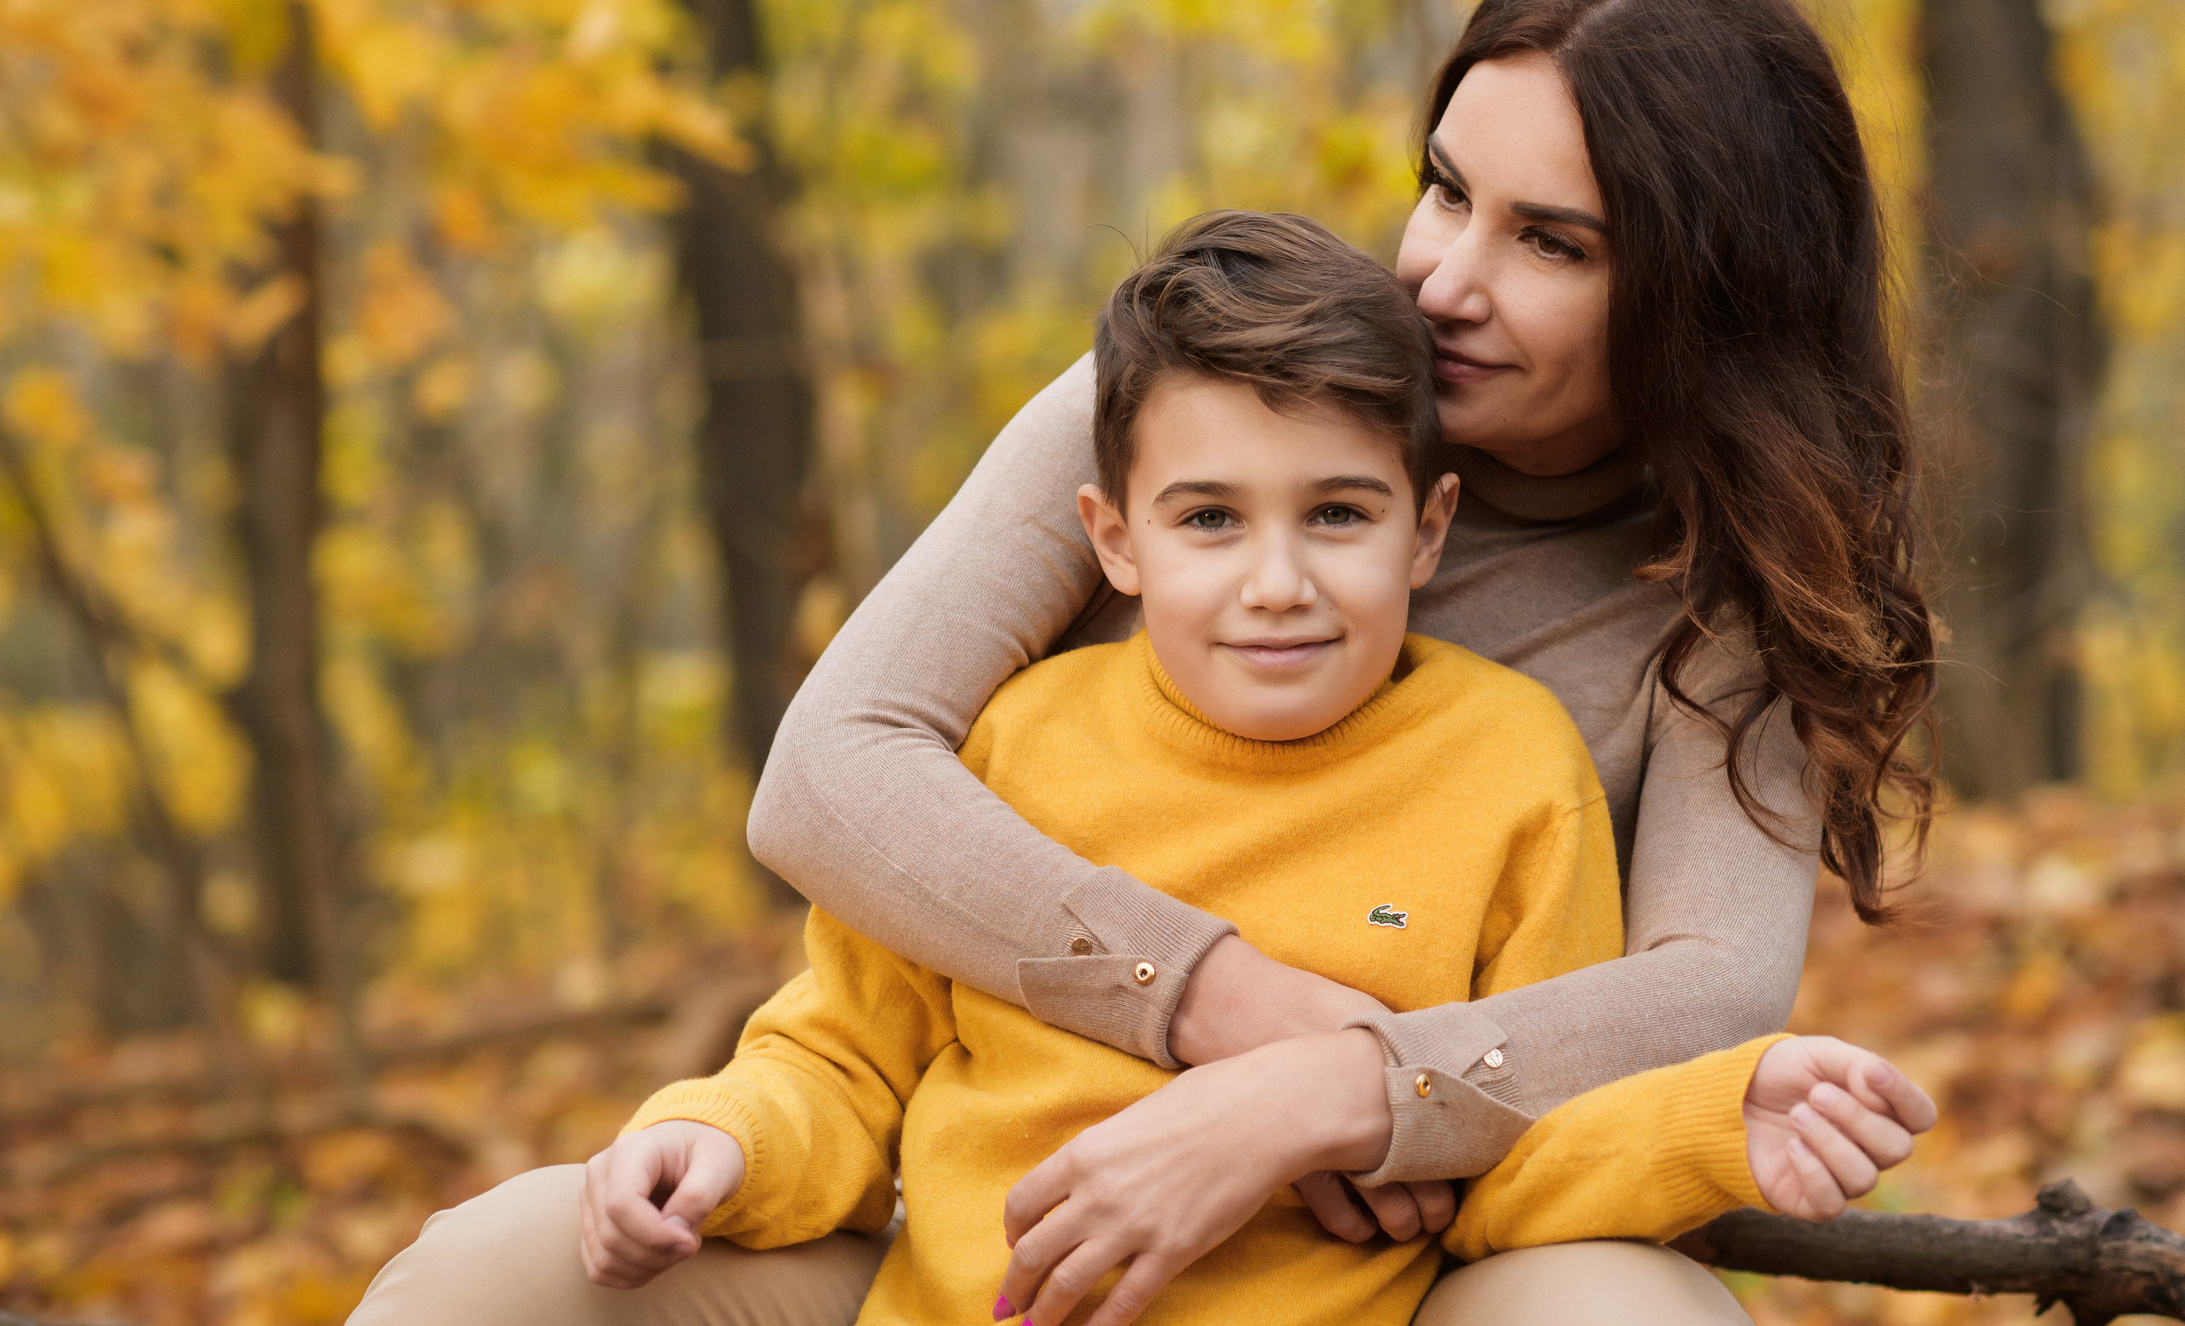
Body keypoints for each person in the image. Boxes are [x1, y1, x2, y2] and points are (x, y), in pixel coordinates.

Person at [348, 0, 1937, 1319]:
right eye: (1445, 189)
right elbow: (832, 779)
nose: (1440, 277)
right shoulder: (1209, 396)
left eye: (1549, 242)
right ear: (1128, 527)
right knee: (504, 1268)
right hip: (979, 1232)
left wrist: (1327, 1096)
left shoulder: (1726, 590)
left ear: (1700, 287)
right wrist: (1216, 1005)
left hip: (1384, 1267)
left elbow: (1705, 992)